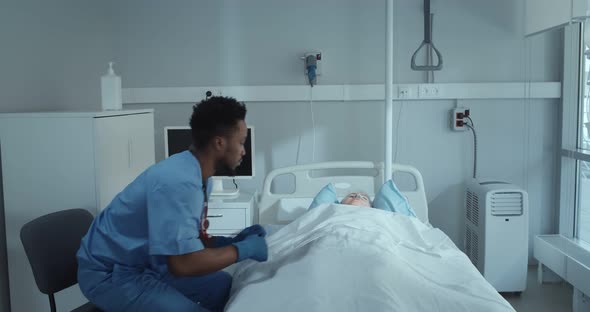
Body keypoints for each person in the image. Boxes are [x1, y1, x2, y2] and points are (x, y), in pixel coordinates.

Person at [76, 96, 268, 312]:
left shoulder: (200, 177)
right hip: (110, 274)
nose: (244, 150)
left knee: (223, 286)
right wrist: (242, 250)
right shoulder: (179, 183)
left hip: (151, 262)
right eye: (241, 142)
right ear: (219, 143)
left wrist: (232, 241)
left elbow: (188, 240)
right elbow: (183, 264)